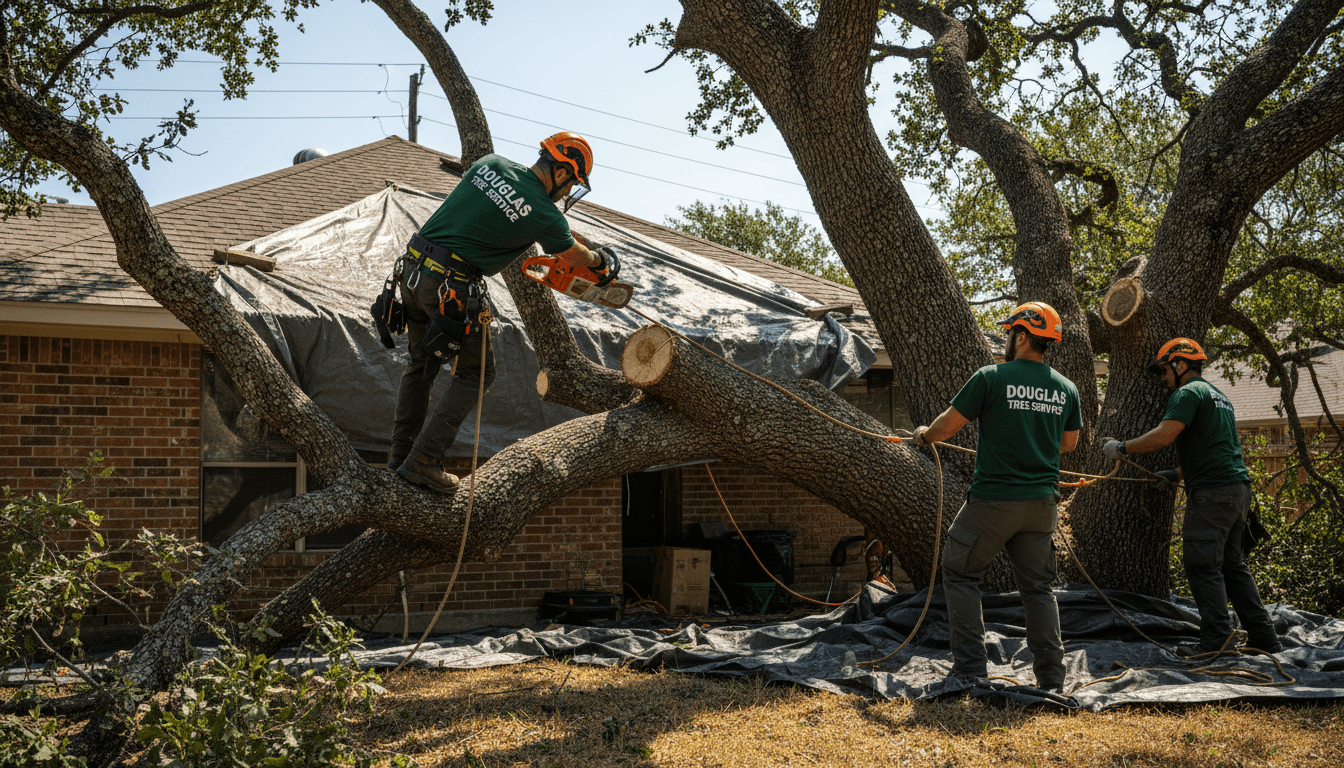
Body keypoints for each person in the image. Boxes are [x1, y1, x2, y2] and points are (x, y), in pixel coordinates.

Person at [390, 132, 618, 493]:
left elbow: (508, 210)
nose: (567, 191)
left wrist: (574, 240)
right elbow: (571, 253)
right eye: (571, 182)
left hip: (413, 273)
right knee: (476, 373)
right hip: (451, 287)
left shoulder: (489, 163)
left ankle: (400, 458)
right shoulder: (544, 212)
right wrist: (600, 260)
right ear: (561, 173)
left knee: (421, 364)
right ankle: (423, 461)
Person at [913, 301, 1080, 691]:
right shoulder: (1066, 388)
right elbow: (1067, 444)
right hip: (1041, 506)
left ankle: (971, 670)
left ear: (1021, 336)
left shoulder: (991, 377)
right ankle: (1052, 679)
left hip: (994, 500)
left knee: (960, 571)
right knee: (1038, 589)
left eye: (1010, 333)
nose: (1008, 340)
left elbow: (947, 427)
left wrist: (924, 435)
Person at [1102, 338, 1282, 655]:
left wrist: (1121, 447)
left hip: (1213, 495)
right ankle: (1264, 637)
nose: (1163, 378)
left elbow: (1164, 435)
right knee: (1232, 567)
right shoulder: (1218, 396)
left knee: (1202, 567)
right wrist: (1176, 474)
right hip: (1237, 492)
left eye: (1164, 370)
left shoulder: (1187, 393)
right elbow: (1213, 449)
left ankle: (1217, 642)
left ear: (1180, 364)